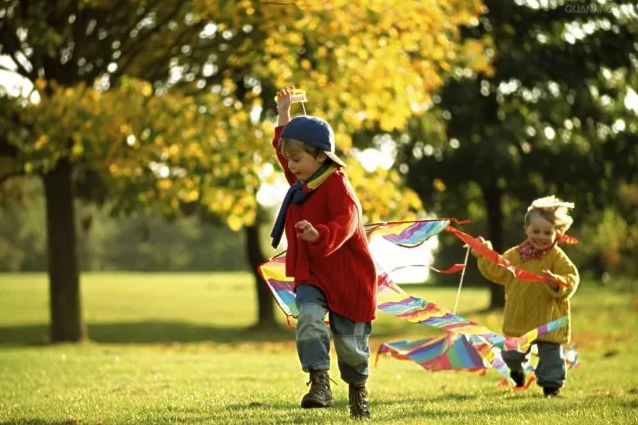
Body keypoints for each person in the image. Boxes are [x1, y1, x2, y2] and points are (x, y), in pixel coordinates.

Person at [270, 87, 377, 419]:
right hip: (313, 273)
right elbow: (282, 149)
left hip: (348, 277)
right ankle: (319, 382)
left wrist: (320, 234)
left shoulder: (337, 186)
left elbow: (348, 222)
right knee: (310, 321)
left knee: (351, 350)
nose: (290, 166)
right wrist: (284, 114)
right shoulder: (303, 181)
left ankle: (357, 390)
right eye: (289, 159)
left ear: (320, 157)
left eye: (297, 159)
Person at [472, 196, 579, 397]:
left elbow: (572, 277)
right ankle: (516, 370)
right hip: (519, 318)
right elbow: (497, 269)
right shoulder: (515, 255)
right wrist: (482, 251)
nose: (541, 236)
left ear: (558, 233)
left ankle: (552, 388)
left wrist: (557, 282)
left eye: (547, 232)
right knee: (512, 355)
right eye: (536, 231)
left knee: (551, 357)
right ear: (526, 229)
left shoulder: (556, 257)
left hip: (549, 319)